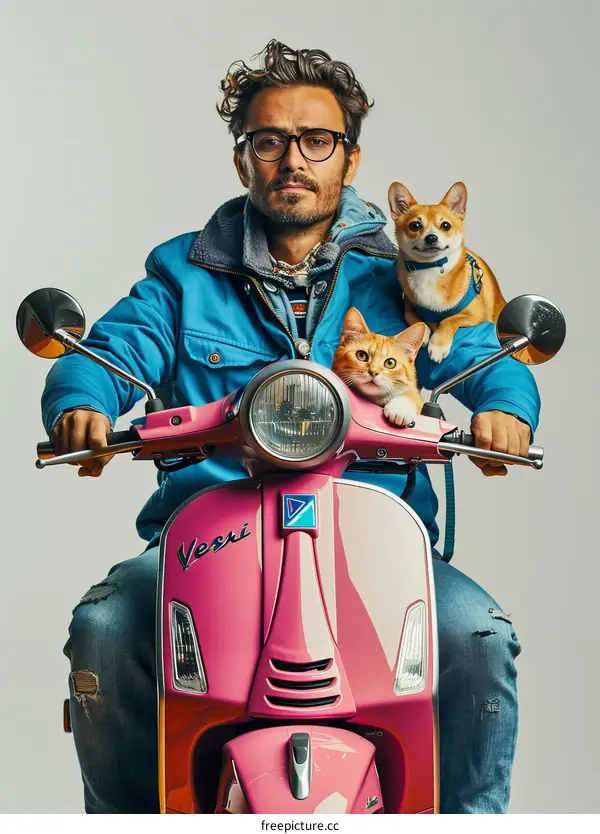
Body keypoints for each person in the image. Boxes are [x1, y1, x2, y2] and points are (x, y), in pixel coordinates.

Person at [42, 40, 539, 814]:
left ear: (350, 156)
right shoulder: (184, 273)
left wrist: (506, 405)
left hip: (376, 543)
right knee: (105, 627)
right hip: (208, 538)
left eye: (317, 140)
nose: (293, 159)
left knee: (478, 634)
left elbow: (477, 349)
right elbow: (117, 347)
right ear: (243, 160)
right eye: (269, 141)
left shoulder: (404, 272)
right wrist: (85, 396)